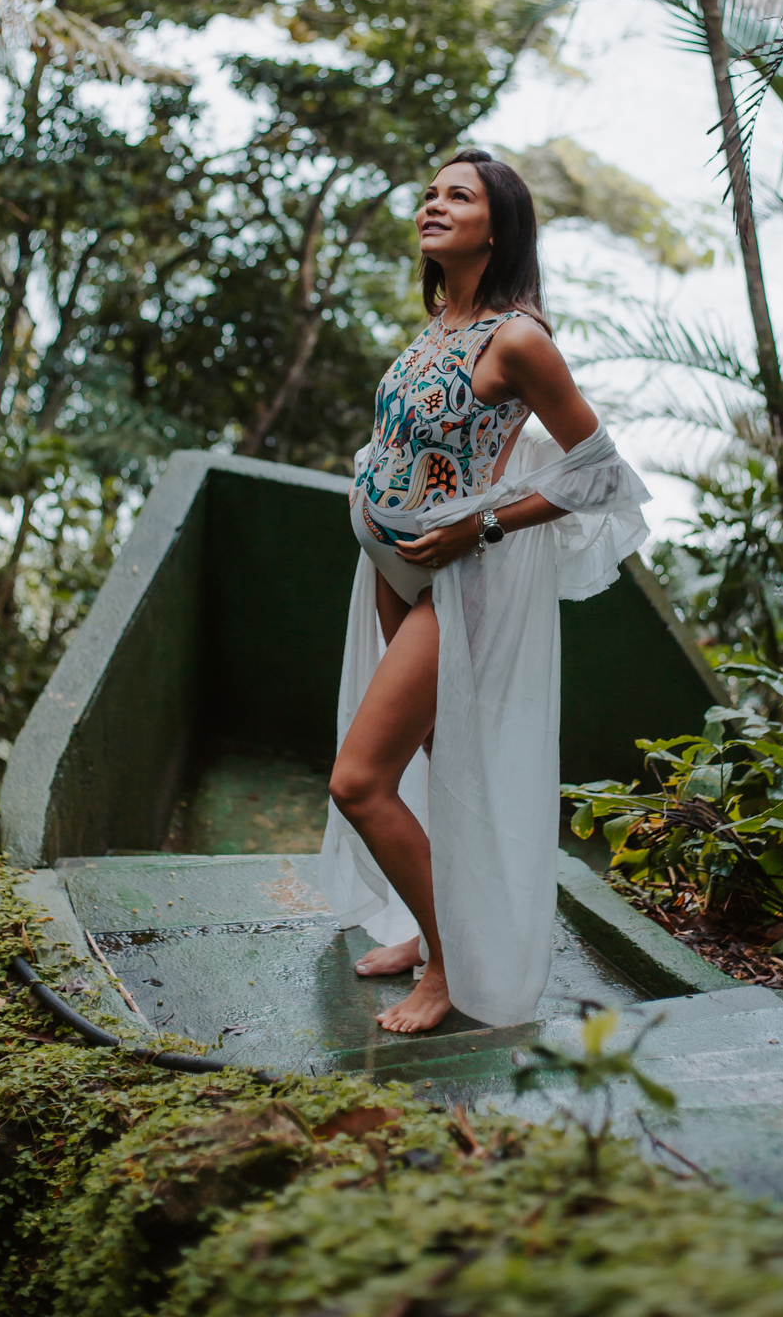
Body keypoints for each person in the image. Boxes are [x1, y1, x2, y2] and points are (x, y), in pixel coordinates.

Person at [319, 148, 649, 1034]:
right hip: (391, 570)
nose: (432, 205)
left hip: (455, 580)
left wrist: (482, 526)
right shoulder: (438, 324)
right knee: (435, 765)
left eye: (457, 196)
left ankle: (450, 967)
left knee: (359, 781)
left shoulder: (517, 339)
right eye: (429, 193)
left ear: (497, 227)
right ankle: (426, 930)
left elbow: (600, 474)